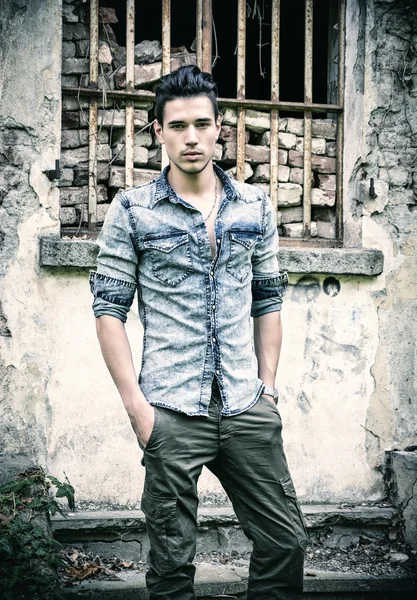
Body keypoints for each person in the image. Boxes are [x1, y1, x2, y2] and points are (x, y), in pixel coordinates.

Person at [90, 65, 307, 600]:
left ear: (218, 128)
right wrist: (137, 408)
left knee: (285, 543)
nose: (191, 137)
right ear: (158, 131)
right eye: (178, 126)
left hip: (244, 403)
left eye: (202, 124)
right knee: (171, 565)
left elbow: (268, 299)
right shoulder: (133, 211)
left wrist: (269, 387)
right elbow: (108, 310)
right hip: (169, 408)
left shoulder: (255, 207)